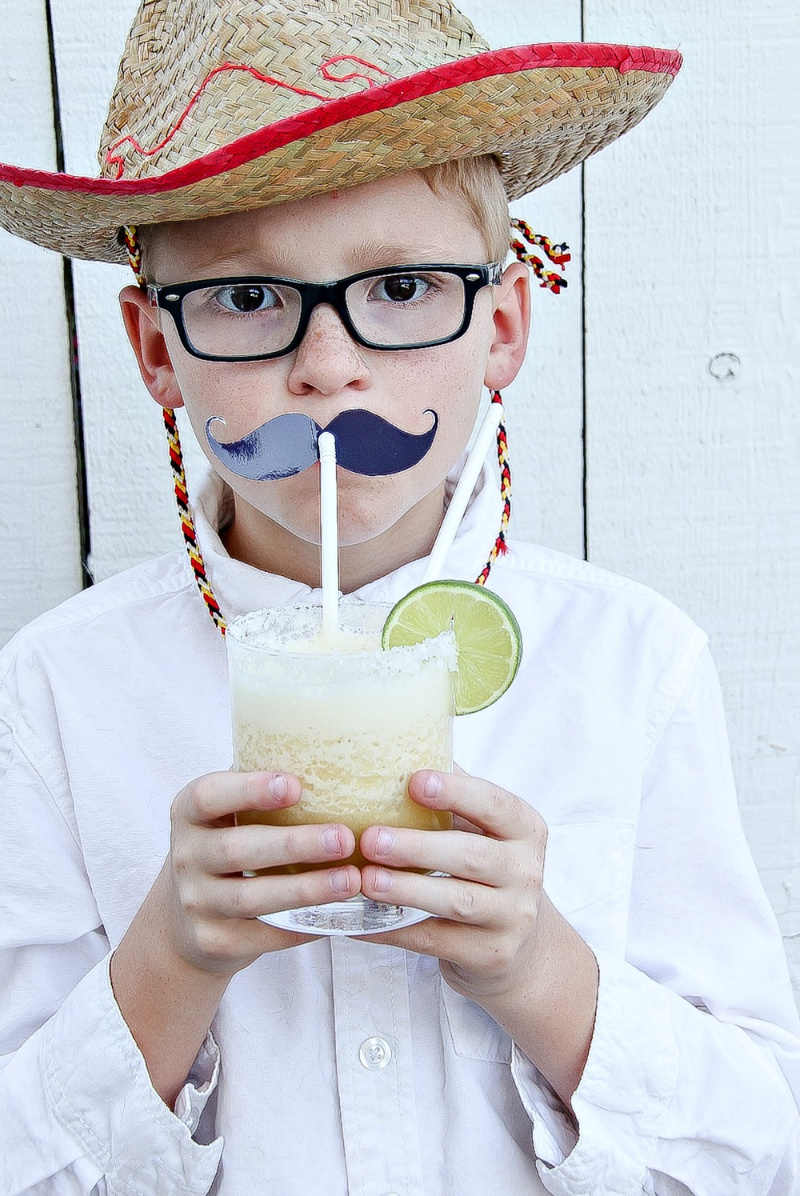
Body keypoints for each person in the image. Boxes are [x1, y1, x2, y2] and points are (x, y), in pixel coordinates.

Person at [1, 1, 799, 1192]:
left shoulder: (632, 662)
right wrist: (169, 957)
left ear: (502, 325)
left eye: (404, 285)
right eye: (246, 298)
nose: (328, 364)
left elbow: (760, 1148)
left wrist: (538, 966)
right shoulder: (63, 688)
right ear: (156, 350)